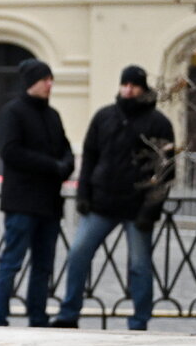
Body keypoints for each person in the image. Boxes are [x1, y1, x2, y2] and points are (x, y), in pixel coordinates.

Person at [51, 65, 174, 330]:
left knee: (140, 266)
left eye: (134, 85)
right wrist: (83, 193)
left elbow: (165, 171)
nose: (128, 89)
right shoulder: (104, 116)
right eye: (125, 84)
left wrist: (150, 211)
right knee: (78, 254)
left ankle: (140, 320)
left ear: (143, 88)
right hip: (101, 202)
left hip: (138, 206)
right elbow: (90, 156)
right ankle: (69, 313)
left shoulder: (159, 122)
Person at [0, 58, 75, 327]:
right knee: (12, 262)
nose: (50, 84)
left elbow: (65, 148)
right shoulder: (13, 112)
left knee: (43, 265)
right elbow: (11, 151)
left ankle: (38, 316)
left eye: (51, 79)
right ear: (31, 83)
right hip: (22, 202)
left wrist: (66, 165)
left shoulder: (53, 115)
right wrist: (53, 166)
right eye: (44, 79)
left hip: (49, 203)